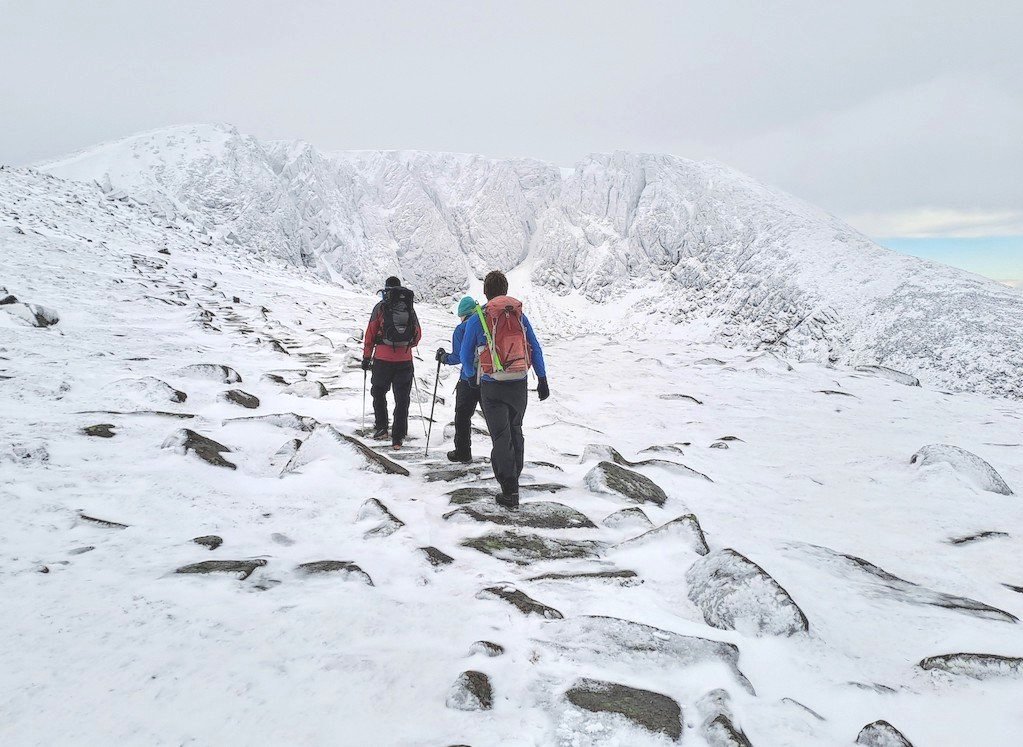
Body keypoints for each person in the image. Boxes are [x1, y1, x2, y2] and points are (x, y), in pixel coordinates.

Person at [460, 270, 549, 508]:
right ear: (506, 290)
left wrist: (470, 378)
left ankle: (509, 490)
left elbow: (465, 354)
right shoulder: (519, 316)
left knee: (500, 436)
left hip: (492, 385)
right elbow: (535, 348)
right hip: (519, 382)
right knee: (516, 431)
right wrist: (542, 378)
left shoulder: (479, 318)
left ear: (486, 292)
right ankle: (513, 479)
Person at [362, 276, 421, 450]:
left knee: (378, 392)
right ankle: (398, 437)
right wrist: (405, 346)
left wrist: (366, 357)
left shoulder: (380, 308)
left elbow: (370, 334)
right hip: (405, 361)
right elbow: (417, 335)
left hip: (382, 360)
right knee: (402, 399)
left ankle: (382, 428)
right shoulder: (409, 308)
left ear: (386, 290)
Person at [435, 296, 480, 464]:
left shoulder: (461, 329)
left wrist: (443, 357)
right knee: (493, 419)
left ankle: (463, 452)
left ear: (464, 314)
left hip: (468, 380)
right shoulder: (487, 324)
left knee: (462, 417)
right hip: (489, 378)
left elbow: (458, 357)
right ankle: (502, 456)